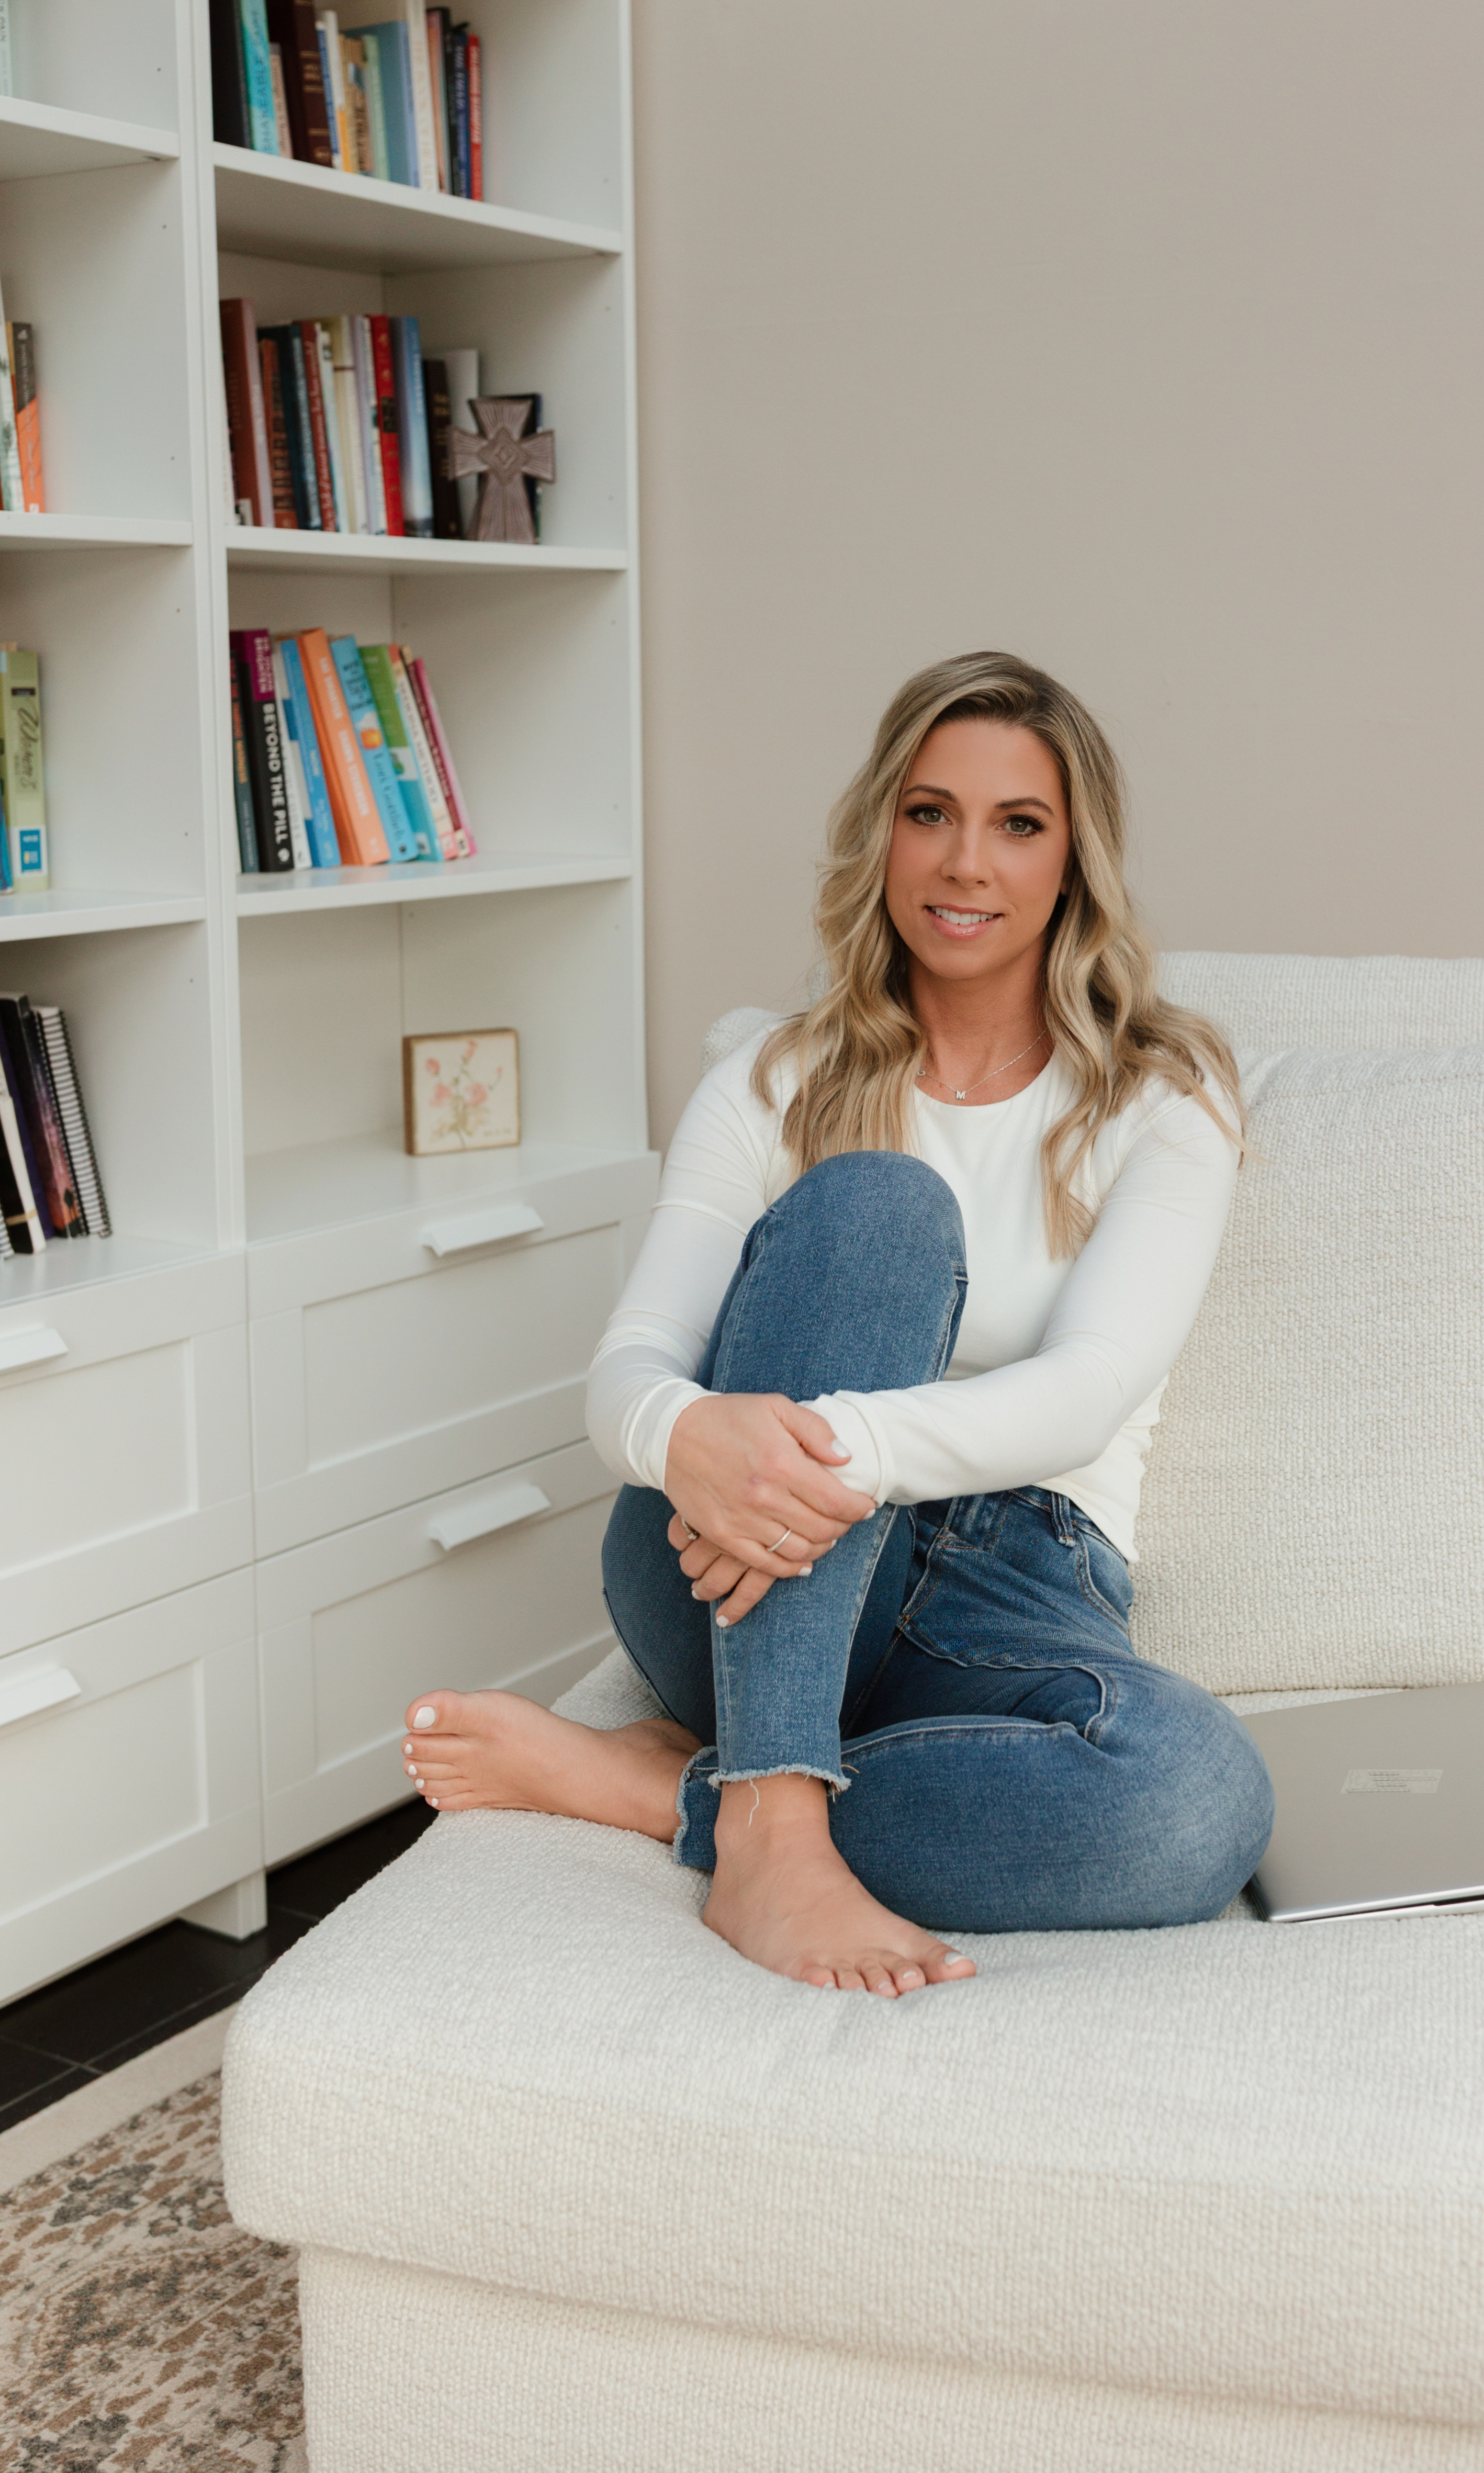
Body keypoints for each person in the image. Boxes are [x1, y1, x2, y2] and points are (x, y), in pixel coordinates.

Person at [399, 651, 1273, 1995]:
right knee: (876, 1207)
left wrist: (826, 1453)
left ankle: (684, 1790)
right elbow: (625, 1369)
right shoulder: (773, 1075)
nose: (964, 863)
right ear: (881, 833)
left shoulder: (1164, 1092)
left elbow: (1088, 1389)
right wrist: (685, 1435)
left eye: (1016, 824)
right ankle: (768, 1820)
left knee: (1194, 1804)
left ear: (1074, 861)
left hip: (1017, 1573)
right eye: (929, 812)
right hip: (725, 1551)